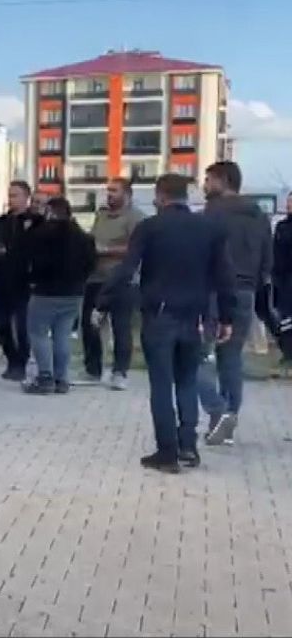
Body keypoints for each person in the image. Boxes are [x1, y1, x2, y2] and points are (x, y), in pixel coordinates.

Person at [99, 173, 235, 473]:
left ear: (161, 196)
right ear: (185, 195)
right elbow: (224, 276)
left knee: (161, 384)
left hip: (159, 315)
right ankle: (188, 446)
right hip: (195, 317)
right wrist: (227, 317)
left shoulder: (150, 227)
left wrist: (103, 301)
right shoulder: (209, 228)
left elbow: (127, 268)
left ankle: (167, 451)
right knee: (187, 380)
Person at [199, 161, 272, 446]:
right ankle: (229, 418)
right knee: (231, 357)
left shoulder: (213, 212)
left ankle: (217, 411)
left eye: (208, 180)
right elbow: (267, 259)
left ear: (223, 180)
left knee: (198, 354)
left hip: (215, 290)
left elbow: (204, 253)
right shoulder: (259, 215)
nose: (204, 186)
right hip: (246, 290)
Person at [22, 198, 95, 394]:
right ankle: (61, 379)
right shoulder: (84, 237)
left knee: (38, 333)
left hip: (45, 292)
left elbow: (29, 257)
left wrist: (32, 278)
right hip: (73, 293)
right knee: (62, 335)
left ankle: (45, 376)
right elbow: (91, 264)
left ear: (50, 211)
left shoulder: (41, 235)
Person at [80, 178, 144, 390]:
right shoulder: (102, 215)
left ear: (127, 194)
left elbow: (135, 248)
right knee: (90, 324)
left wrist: (106, 250)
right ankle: (93, 369)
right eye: (108, 190)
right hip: (95, 277)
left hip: (122, 280)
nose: (109, 195)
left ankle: (120, 372)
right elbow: (93, 240)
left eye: (114, 191)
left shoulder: (135, 217)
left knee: (121, 327)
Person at [0, 181, 40, 382]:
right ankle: (11, 357)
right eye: (10, 195)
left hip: (23, 279)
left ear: (26, 198)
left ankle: (22, 361)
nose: (11, 199)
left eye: (16, 195)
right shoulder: (2, 221)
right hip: (1, 276)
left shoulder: (35, 221)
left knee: (22, 324)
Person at [270, 193, 292, 367]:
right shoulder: (282, 227)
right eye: (289, 201)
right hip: (284, 279)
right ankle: (287, 352)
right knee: (285, 317)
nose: (289, 205)